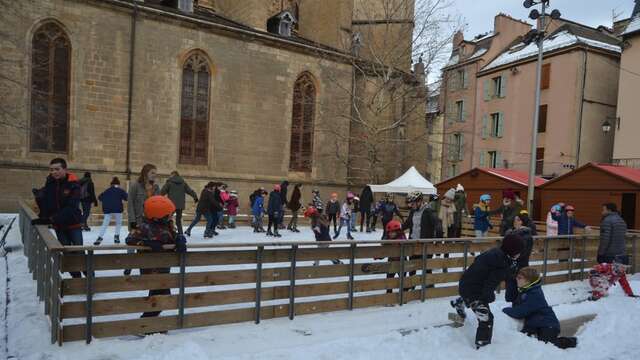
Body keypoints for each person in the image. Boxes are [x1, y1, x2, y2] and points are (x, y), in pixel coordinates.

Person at [450, 233, 524, 349]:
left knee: (471, 298)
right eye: (518, 252)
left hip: (466, 283)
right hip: (475, 291)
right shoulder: (501, 264)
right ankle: (483, 345)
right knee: (486, 318)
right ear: (512, 251)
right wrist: (488, 297)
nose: (520, 254)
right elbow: (490, 284)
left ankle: (459, 302)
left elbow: (480, 264)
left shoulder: (495, 253)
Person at [125, 195, 186, 321]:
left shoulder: (167, 225)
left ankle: (146, 324)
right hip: (151, 269)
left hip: (163, 267)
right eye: (169, 214)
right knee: (162, 296)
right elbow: (129, 239)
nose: (171, 217)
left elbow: (174, 235)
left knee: (158, 296)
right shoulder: (144, 227)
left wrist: (180, 239)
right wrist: (147, 243)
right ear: (158, 216)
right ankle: (144, 324)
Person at [31, 158, 84, 278]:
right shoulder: (50, 183)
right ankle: (76, 281)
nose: (54, 172)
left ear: (65, 169)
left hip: (73, 224)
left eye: (57, 169)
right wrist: (40, 202)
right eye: (51, 170)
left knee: (79, 252)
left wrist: (52, 219)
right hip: (59, 226)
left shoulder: (74, 185)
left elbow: (71, 207)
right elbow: (48, 204)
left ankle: (90, 277)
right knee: (66, 253)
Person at [503, 267, 577, 349]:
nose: (516, 279)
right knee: (524, 342)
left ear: (528, 281)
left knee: (547, 345)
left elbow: (520, 312)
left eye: (519, 278)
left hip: (548, 324)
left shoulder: (535, 294)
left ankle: (570, 341)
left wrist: (504, 310)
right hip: (533, 324)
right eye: (517, 277)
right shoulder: (525, 290)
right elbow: (512, 301)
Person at [125, 164, 161, 276]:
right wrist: (132, 222)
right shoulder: (135, 185)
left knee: (145, 247)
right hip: (137, 221)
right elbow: (130, 204)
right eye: (152, 173)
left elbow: (158, 204)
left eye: (155, 173)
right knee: (132, 243)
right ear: (146, 173)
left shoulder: (156, 188)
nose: (155, 175)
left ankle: (144, 269)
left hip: (150, 223)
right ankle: (128, 265)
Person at [403, 191, 438, 285]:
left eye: (412, 203)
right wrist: (397, 229)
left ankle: (429, 284)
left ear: (419, 201)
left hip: (426, 244)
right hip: (414, 243)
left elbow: (437, 225)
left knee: (426, 266)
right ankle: (410, 285)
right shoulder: (413, 211)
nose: (411, 205)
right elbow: (407, 223)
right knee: (412, 266)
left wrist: (437, 240)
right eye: (410, 203)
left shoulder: (428, 211)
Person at [94, 177, 128, 245]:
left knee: (105, 224)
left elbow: (100, 197)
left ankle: (100, 237)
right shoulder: (120, 190)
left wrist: (108, 200)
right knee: (118, 223)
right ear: (118, 184)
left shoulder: (107, 190)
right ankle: (116, 237)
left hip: (107, 209)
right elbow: (126, 198)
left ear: (111, 184)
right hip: (118, 209)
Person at [383, 219, 408, 293]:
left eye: (393, 232)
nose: (391, 234)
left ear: (397, 231)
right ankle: (389, 294)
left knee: (402, 278)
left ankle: (403, 293)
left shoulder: (402, 239)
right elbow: (384, 251)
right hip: (391, 261)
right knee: (389, 278)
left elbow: (406, 246)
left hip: (402, 261)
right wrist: (379, 256)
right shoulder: (388, 240)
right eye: (389, 232)